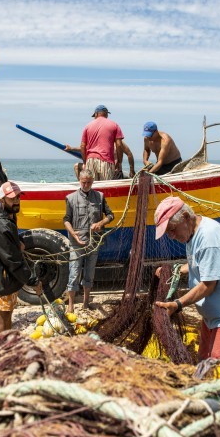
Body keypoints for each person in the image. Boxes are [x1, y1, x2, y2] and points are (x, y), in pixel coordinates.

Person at [154, 197, 220, 368]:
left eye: (172, 230)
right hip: (212, 317)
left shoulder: (209, 238)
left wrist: (177, 304)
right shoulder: (193, 232)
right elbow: (201, 262)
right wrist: (177, 269)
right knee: (204, 366)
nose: (171, 237)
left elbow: (208, 285)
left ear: (186, 216)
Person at [0, 181, 41, 333]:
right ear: (2, 200)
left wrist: (18, 241)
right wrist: (32, 281)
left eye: (18, 197)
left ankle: (5, 344)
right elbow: (11, 258)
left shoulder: (6, 215)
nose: (16, 201)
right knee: (2, 315)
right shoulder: (0, 224)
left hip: (6, 276)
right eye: (12, 198)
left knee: (8, 312)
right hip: (2, 277)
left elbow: (8, 243)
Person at [63, 169, 114, 313]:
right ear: (79, 181)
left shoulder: (100, 196)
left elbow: (111, 215)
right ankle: (71, 305)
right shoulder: (71, 198)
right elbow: (66, 220)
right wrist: (73, 233)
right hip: (76, 242)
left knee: (89, 273)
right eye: (84, 182)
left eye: (89, 182)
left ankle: (86, 303)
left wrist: (101, 223)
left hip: (94, 242)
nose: (86, 185)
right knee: (74, 272)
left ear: (92, 182)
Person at [73, 105, 126, 181]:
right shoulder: (114, 125)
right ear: (106, 114)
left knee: (91, 187)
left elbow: (82, 146)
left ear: (96, 114)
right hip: (106, 161)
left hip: (90, 160)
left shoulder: (88, 126)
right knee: (106, 187)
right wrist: (119, 162)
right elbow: (119, 145)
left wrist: (85, 162)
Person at [67, 141, 136, 180]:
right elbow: (84, 148)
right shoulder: (99, 142)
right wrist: (71, 148)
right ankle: (83, 186)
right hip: (99, 168)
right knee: (76, 166)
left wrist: (132, 170)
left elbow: (129, 154)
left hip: (115, 172)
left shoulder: (118, 143)